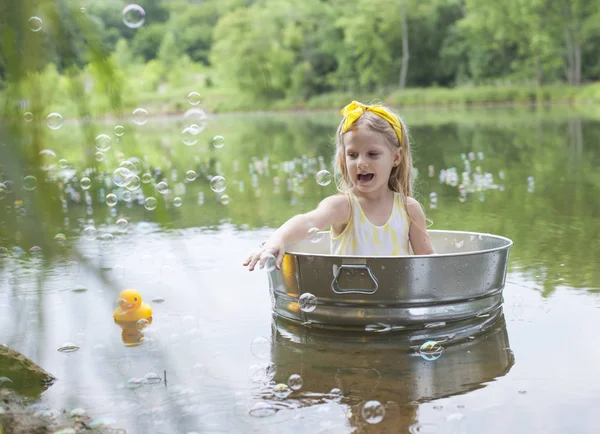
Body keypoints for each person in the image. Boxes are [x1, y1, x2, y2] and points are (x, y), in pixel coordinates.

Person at [244, 100, 435, 271]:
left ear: (395, 157)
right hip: (348, 303)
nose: (360, 162)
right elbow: (307, 222)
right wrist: (277, 239)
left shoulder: (408, 209)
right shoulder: (344, 206)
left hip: (396, 304)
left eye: (372, 154)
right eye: (352, 154)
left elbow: (429, 262)